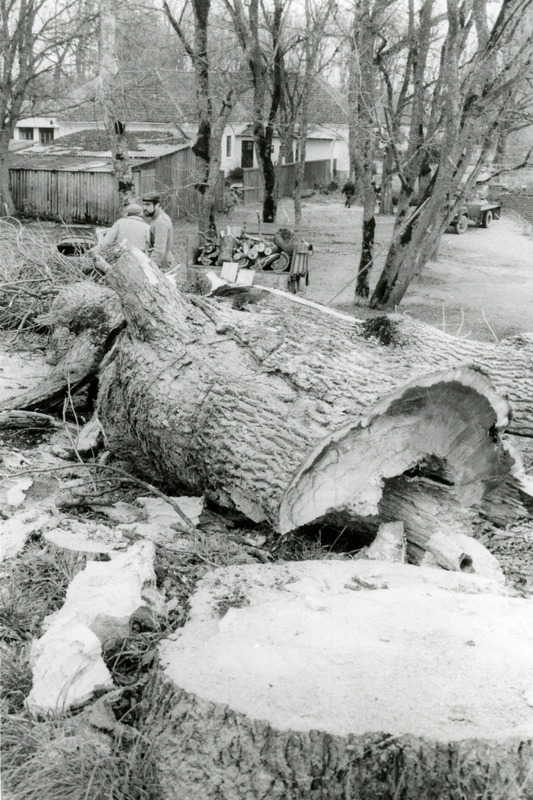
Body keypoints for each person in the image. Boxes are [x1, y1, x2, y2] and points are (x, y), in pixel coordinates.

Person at [141, 191, 174, 269]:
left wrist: (148, 268)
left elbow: (159, 251)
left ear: (157, 205)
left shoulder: (161, 222)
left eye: (148, 205)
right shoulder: (156, 219)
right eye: (143, 204)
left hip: (162, 266)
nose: (144, 208)